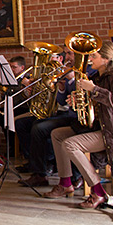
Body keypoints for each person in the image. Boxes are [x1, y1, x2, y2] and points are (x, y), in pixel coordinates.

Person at [43, 41, 113, 209]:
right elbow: (92, 104)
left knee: (70, 144)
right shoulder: (96, 77)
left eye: (94, 56)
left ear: (107, 58)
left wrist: (93, 90)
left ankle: (98, 191)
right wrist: (77, 101)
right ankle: (65, 182)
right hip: (101, 128)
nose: (90, 59)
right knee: (57, 134)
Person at [15, 48, 80, 187]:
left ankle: (43, 168)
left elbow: (67, 103)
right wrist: (29, 90)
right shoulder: (59, 73)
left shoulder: (78, 72)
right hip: (53, 112)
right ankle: (36, 165)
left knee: (38, 128)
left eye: (69, 54)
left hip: (69, 116)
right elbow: (59, 99)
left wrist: (70, 80)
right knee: (22, 123)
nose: (67, 56)